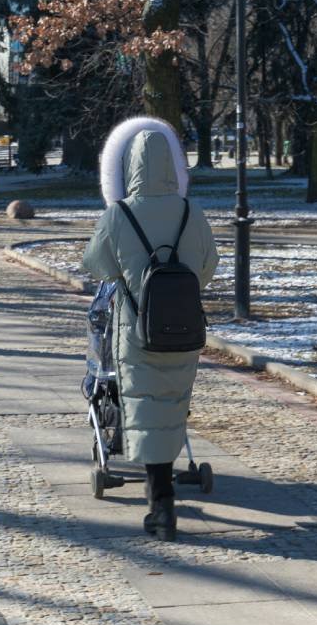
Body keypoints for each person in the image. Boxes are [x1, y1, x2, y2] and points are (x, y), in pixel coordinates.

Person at [81, 116, 218, 541]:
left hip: (136, 327)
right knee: (171, 405)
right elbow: (208, 267)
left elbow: (96, 265)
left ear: (132, 168)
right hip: (183, 326)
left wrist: (131, 275)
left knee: (143, 406)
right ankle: (164, 492)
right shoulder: (190, 212)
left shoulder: (119, 214)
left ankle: (161, 507)